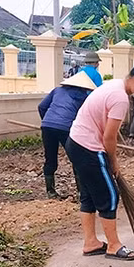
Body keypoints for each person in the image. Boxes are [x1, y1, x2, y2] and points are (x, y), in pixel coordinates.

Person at [66, 60, 134, 261]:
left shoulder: (114, 85)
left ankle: (91, 243)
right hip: (88, 147)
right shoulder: (119, 98)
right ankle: (113, 246)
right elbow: (109, 137)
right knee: (109, 195)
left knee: (89, 195)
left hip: (75, 142)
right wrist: (113, 162)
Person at [38, 70, 97, 199]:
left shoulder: (57, 91)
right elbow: (85, 117)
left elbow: (42, 107)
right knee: (77, 158)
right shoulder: (83, 97)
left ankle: (50, 192)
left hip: (47, 126)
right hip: (66, 129)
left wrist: (47, 121)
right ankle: (81, 192)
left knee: (50, 158)